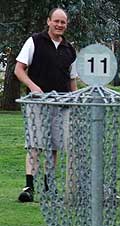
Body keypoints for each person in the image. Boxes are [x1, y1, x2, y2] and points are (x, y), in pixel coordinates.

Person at [15, 7, 77, 202]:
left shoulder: (70, 49)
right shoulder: (34, 41)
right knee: (35, 143)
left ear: (66, 25)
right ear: (48, 21)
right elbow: (19, 69)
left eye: (63, 22)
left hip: (61, 104)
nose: (59, 25)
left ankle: (49, 187)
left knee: (54, 146)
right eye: (56, 21)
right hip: (38, 103)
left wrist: (76, 102)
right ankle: (29, 187)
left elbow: (72, 79)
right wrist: (33, 87)